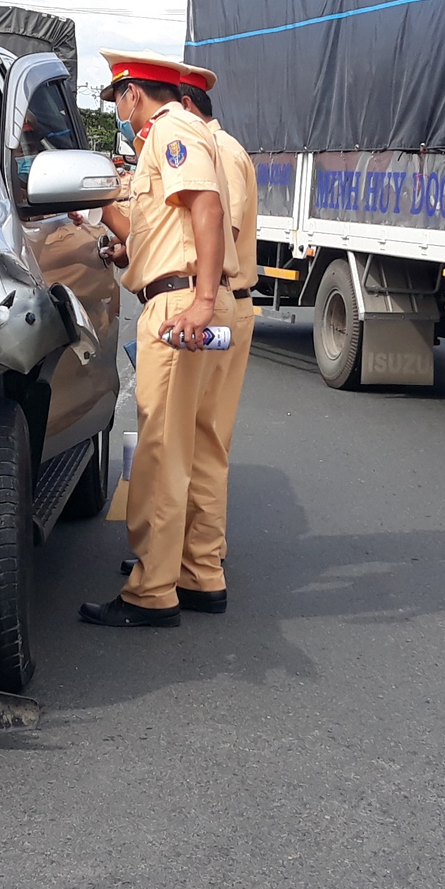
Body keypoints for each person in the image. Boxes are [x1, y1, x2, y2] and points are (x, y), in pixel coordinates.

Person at [80, 51, 228, 628]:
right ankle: (181, 576)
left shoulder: (171, 132)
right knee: (177, 446)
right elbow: (164, 227)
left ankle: (152, 591)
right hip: (170, 295)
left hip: (175, 304)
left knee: (162, 450)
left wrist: (202, 299)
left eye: (118, 99)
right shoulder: (171, 135)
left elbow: (207, 210)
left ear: (133, 94)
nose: (119, 110)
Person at [167, 61, 255, 613]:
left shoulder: (217, 151)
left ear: (185, 105)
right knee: (200, 441)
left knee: (197, 443)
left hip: (217, 304)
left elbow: (224, 233)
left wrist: (199, 301)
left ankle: (200, 566)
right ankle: (195, 559)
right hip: (223, 304)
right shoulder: (220, 147)